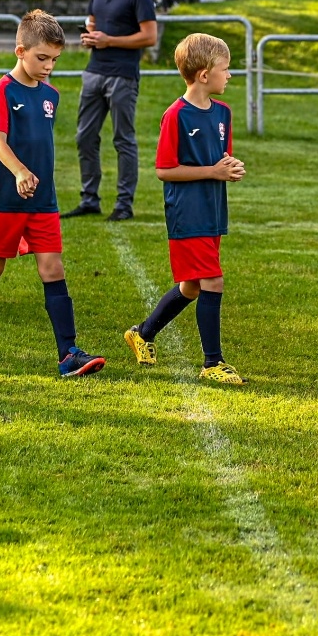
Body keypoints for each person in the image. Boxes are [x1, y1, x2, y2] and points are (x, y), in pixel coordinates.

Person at [0, 11, 106, 377]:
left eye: (55, 60)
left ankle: (68, 353)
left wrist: (36, 177)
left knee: (53, 268)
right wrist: (20, 171)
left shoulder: (51, 96)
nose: (48, 66)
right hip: (7, 198)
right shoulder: (3, 90)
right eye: (42, 58)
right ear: (20, 50)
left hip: (43, 199)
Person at [123, 34, 247, 383]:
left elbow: (220, 159)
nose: (230, 75)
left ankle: (143, 333)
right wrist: (212, 171)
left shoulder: (223, 113)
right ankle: (213, 364)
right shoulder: (175, 115)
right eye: (226, 69)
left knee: (192, 286)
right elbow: (164, 169)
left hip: (213, 210)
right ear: (205, 74)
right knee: (213, 281)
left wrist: (229, 167)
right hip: (186, 213)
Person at [65, 0, 158, 222]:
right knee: (85, 137)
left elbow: (150, 37)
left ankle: (124, 204)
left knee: (123, 140)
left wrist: (110, 41)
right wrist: (90, 36)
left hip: (122, 76)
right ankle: (89, 199)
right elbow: (92, 22)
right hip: (94, 72)